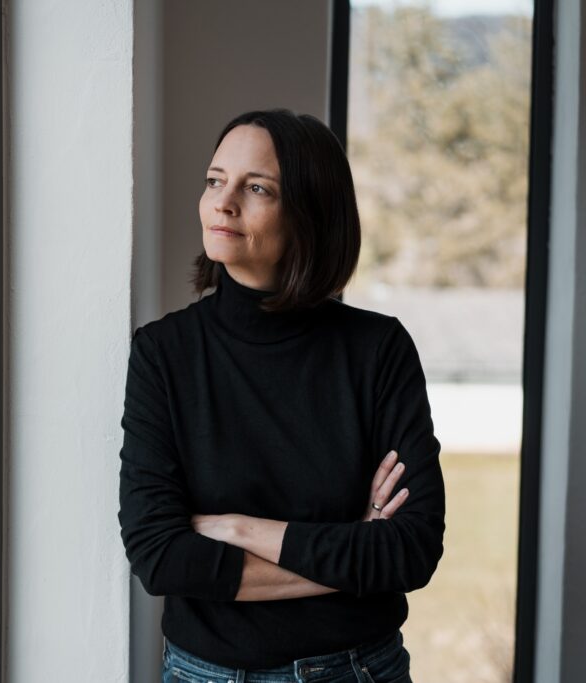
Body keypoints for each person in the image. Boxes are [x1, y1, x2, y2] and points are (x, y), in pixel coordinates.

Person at [116, 108, 445, 682]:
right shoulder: (163, 354)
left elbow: (410, 550)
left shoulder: (378, 350)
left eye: (257, 188)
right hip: (206, 674)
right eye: (215, 180)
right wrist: (353, 555)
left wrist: (241, 529)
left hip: (358, 671)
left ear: (309, 214)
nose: (223, 202)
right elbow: (161, 557)